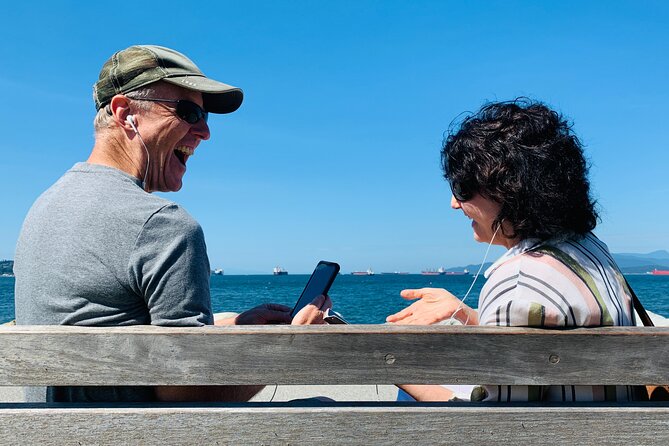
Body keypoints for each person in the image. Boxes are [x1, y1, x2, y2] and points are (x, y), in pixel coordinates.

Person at [13, 45, 330, 403]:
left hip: (50, 433)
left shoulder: (44, 208)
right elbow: (184, 395)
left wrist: (242, 327)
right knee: (325, 409)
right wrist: (287, 350)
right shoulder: (163, 226)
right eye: (190, 112)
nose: (206, 131)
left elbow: (115, 327)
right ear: (125, 113)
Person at [387, 99, 638, 402]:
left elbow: (494, 427)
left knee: (407, 396)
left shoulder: (518, 280)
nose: (454, 203)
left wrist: (391, 365)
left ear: (510, 191)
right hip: (604, 429)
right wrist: (467, 314)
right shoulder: (591, 249)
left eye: (463, 188)